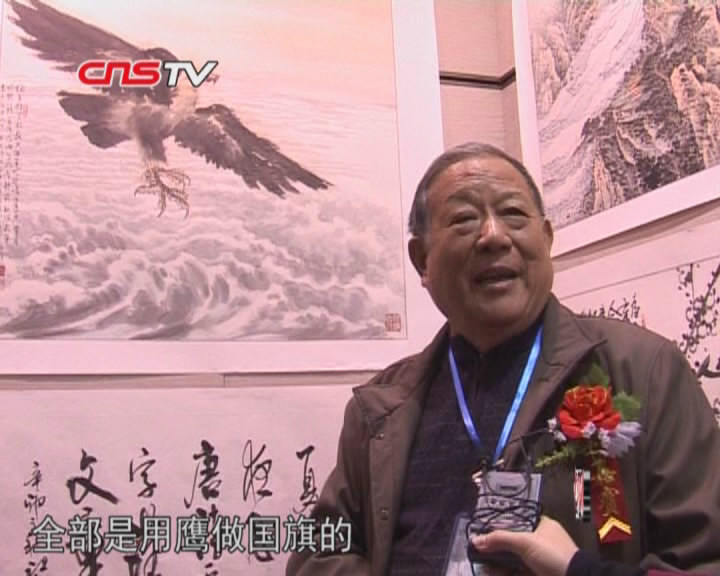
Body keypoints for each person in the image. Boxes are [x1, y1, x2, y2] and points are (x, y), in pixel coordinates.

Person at [284, 142, 720, 576]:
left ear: (546, 238)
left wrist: (578, 571)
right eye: (464, 219)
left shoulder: (645, 372)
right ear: (422, 260)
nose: (493, 235)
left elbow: (704, 560)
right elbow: (317, 555)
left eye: (513, 214)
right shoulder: (382, 405)